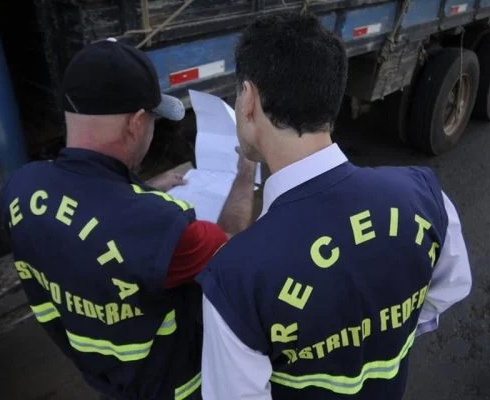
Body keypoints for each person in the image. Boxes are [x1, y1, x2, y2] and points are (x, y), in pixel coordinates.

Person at [196, 12, 473, 399]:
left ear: (249, 99)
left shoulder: (233, 276)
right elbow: (454, 285)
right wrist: (385, 335)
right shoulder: (424, 194)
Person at [0, 39, 256, 400]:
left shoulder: (20, 188)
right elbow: (229, 242)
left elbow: (85, 217)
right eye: (152, 120)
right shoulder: (164, 228)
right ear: (136, 123)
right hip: (171, 388)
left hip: (100, 373)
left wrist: (146, 189)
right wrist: (246, 170)